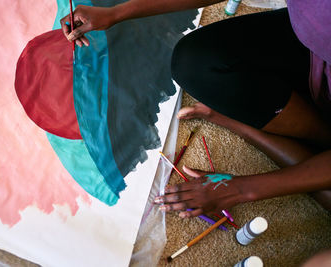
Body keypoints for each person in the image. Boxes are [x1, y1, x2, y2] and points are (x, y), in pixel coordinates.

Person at [60, 0, 331, 217]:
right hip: (313, 46)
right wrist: (118, 12)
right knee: (194, 63)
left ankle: (259, 131)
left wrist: (238, 190)